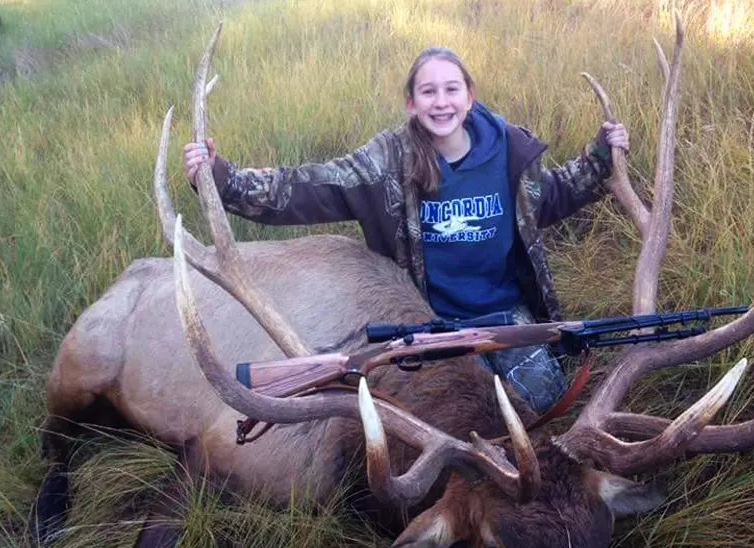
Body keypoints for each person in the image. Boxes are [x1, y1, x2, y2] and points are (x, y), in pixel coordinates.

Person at [182, 47, 629, 414]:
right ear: (411, 103)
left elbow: (548, 198)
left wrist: (600, 158)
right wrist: (225, 179)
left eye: (452, 90)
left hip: (504, 317)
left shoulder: (509, 151)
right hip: (425, 324)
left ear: (470, 96)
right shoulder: (388, 161)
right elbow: (309, 187)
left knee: (543, 396)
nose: (442, 102)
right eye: (428, 92)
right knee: (437, 419)